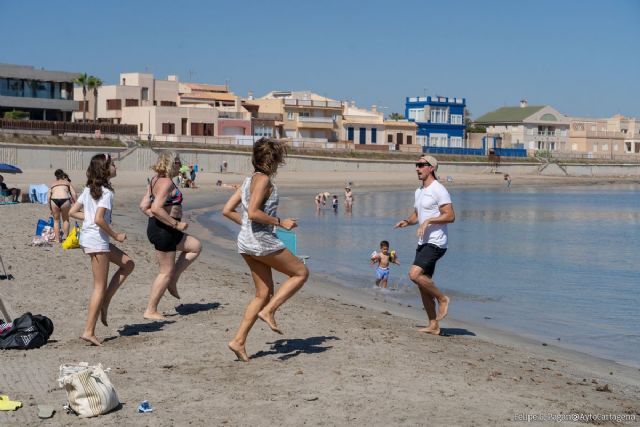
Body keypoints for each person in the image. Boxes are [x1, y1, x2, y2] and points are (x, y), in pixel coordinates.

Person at [222, 137, 309, 362]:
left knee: (262, 293)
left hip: (246, 242)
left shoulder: (248, 180)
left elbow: (228, 210)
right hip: (261, 242)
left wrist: (249, 228)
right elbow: (252, 212)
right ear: (274, 159)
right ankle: (270, 311)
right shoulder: (263, 181)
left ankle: (238, 341)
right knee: (300, 273)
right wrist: (281, 222)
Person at [69, 154, 135, 346]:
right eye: (113, 164)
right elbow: (98, 219)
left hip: (91, 238)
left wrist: (89, 218)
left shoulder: (90, 189)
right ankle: (89, 331)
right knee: (99, 286)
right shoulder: (105, 193)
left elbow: (73, 212)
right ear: (105, 170)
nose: (116, 167)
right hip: (97, 240)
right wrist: (116, 236)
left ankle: (105, 302)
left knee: (128, 264)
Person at [394, 155, 455, 336]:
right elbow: (417, 214)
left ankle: (443, 299)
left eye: (421, 165)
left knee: (414, 274)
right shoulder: (419, 191)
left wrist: (428, 221)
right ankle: (433, 325)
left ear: (431, 168)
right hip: (423, 242)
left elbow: (450, 216)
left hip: (436, 242)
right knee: (423, 284)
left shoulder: (439, 190)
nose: (417, 168)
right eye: (416, 165)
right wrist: (407, 221)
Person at [139, 152, 202, 320]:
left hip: (162, 228)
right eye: (177, 162)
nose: (180, 165)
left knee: (195, 246)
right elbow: (156, 208)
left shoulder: (155, 180)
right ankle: (150, 309)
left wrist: (156, 221)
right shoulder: (166, 182)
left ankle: (173, 279)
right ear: (170, 164)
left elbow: (144, 206)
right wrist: (175, 224)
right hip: (165, 230)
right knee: (165, 271)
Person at [47, 169, 78, 242]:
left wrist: (50, 208)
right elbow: (74, 194)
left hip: (54, 200)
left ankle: (57, 239)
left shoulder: (52, 184)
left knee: (56, 221)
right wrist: (76, 204)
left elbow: (48, 197)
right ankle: (66, 238)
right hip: (65, 200)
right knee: (66, 220)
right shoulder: (67, 183)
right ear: (63, 175)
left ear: (56, 176)